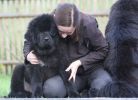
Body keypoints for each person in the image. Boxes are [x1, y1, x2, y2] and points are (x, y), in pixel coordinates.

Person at [23, 3, 112, 97]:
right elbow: (30, 37)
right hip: (69, 74)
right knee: (52, 90)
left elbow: (103, 49)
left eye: (69, 32)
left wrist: (80, 62)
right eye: (61, 31)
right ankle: (81, 92)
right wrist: (27, 53)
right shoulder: (50, 21)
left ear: (76, 25)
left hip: (93, 70)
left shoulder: (88, 24)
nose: (64, 35)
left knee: (104, 86)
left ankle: (87, 92)